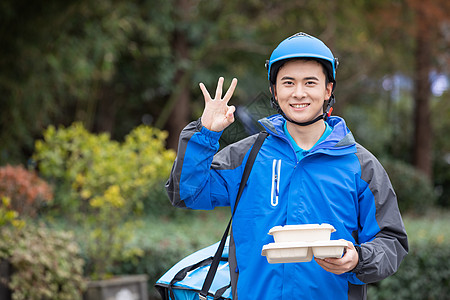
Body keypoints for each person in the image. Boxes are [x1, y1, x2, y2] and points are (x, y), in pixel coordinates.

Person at [166, 32, 408, 300]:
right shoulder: (247, 155)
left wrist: (358, 258)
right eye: (288, 82)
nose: (299, 93)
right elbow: (187, 193)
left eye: (310, 82)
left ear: (328, 90)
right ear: (274, 91)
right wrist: (205, 134)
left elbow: (392, 241)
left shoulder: (361, 166)